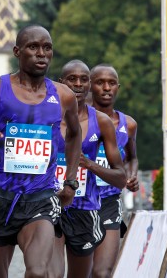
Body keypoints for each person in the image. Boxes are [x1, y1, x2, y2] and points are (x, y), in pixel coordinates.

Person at [0, 24, 82, 278]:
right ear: (17, 51)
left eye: (47, 48)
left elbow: (75, 135)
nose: (41, 53)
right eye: (33, 47)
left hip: (40, 197)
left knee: (37, 272)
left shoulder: (64, 95)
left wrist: (70, 180)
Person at [51, 60, 126, 278]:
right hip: (50, 206)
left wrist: (89, 164)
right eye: (71, 79)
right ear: (60, 83)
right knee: (51, 273)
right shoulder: (47, 116)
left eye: (83, 80)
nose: (77, 84)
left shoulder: (102, 122)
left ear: (89, 85)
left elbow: (120, 178)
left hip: (85, 208)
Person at [90, 64, 139, 278]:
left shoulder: (128, 124)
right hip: (78, 201)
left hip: (109, 201)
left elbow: (132, 158)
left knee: (102, 273)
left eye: (111, 83)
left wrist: (131, 175)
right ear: (90, 87)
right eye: (100, 83)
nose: (106, 88)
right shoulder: (78, 119)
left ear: (118, 87)